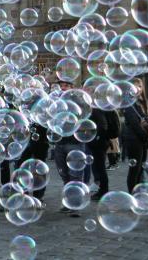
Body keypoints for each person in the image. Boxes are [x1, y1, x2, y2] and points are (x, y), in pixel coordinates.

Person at [54, 81, 85, 217]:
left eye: (66, 85)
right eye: (61, 85)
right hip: (60, 142)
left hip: (74, 143)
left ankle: (76, 205)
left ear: (72, 87)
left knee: (75, 175)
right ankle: (68, 203)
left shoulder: (78, 101)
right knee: (64, 175)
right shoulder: (56, 102)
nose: (63, 87)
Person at [123, 78, 148, 193]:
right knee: (135, 169)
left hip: (141, 139)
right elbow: (135, 124)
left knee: (140, 168)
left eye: (139, 86)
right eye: (134, 86)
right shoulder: (130, 104)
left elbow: (144, 118)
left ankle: (138, 192)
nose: (137, 88)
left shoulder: (140, 102)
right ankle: (132, 194)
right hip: (134, 140)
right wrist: (146, 136)